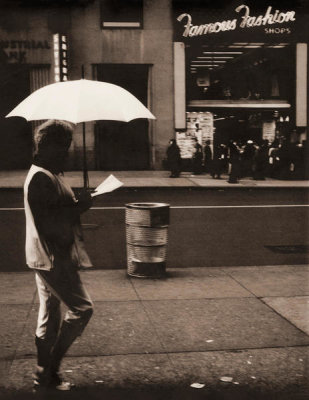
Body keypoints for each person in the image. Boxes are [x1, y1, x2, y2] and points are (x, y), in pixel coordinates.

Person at [24, 120, 94, 391]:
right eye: (64, 146)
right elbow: (50, 223)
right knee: (82, 308)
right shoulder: (42, 176)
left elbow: (55, 209)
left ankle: (44, 374)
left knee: (49, 315)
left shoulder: (47, 172)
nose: (67, 151)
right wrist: (80, 208)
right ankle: (49, 368)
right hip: (52, 257)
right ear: (49, 145)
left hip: (44, 255)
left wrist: (76, 203)